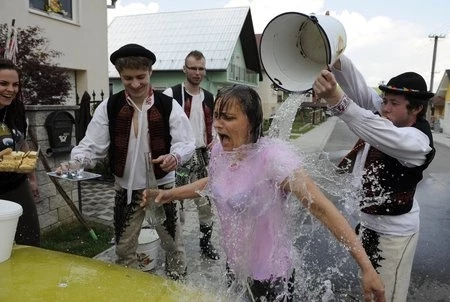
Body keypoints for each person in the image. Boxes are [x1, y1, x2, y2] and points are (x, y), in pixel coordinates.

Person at [142, 85, 385, 301]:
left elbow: (322, 208)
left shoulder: (274, 158)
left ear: (252, 123)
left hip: (271, 277)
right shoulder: (220, 152)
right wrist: (171, 194)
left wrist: (366, 267)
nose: (217, 124)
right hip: (236, 267)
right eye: (216, 116)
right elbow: (214, 183)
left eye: (227, 117)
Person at [313, 55, 435, 302]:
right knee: (370, 290)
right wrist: (336, 58)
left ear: (416, 108)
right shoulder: (391, 116)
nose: (385, 107)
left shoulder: (417, 142)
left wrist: (337, 99)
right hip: (370, 225)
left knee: (387, 296)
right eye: (385, 101)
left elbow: (372, 127)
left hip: (394, 235)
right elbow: (362, 91)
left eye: (393, 103)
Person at [68, 44, 195, 280]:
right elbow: (92, 145)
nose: (135, 84)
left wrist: (174, 157)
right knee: (124, 248)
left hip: (162, 189)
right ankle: (130, 289)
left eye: (140, 77)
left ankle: (177, 287)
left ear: (150, 73)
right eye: (128, 78)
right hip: (126, 190)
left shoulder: (168, 105)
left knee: (173, 246)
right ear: (119, 75)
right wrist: (76, 162)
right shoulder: (110, 106)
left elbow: (186, 141)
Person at [163, 50, 219, 260]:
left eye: (201, 68)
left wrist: (216, 140)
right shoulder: (171, 94)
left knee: (205, 204)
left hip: (203, 156)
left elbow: (215, 125)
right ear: (184, 69)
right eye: (193, 68)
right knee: (174, 203)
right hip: (178, 158)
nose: (197, 72)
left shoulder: (210, 97)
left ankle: (206, 245)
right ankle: (174, 249)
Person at [0, 58, 40, 246]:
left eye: (15, 84)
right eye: (3, 83)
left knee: (30, 240)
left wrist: (32, 179)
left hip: (17, 185)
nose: (11, 89)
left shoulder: (16, 108)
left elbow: (22, 143)